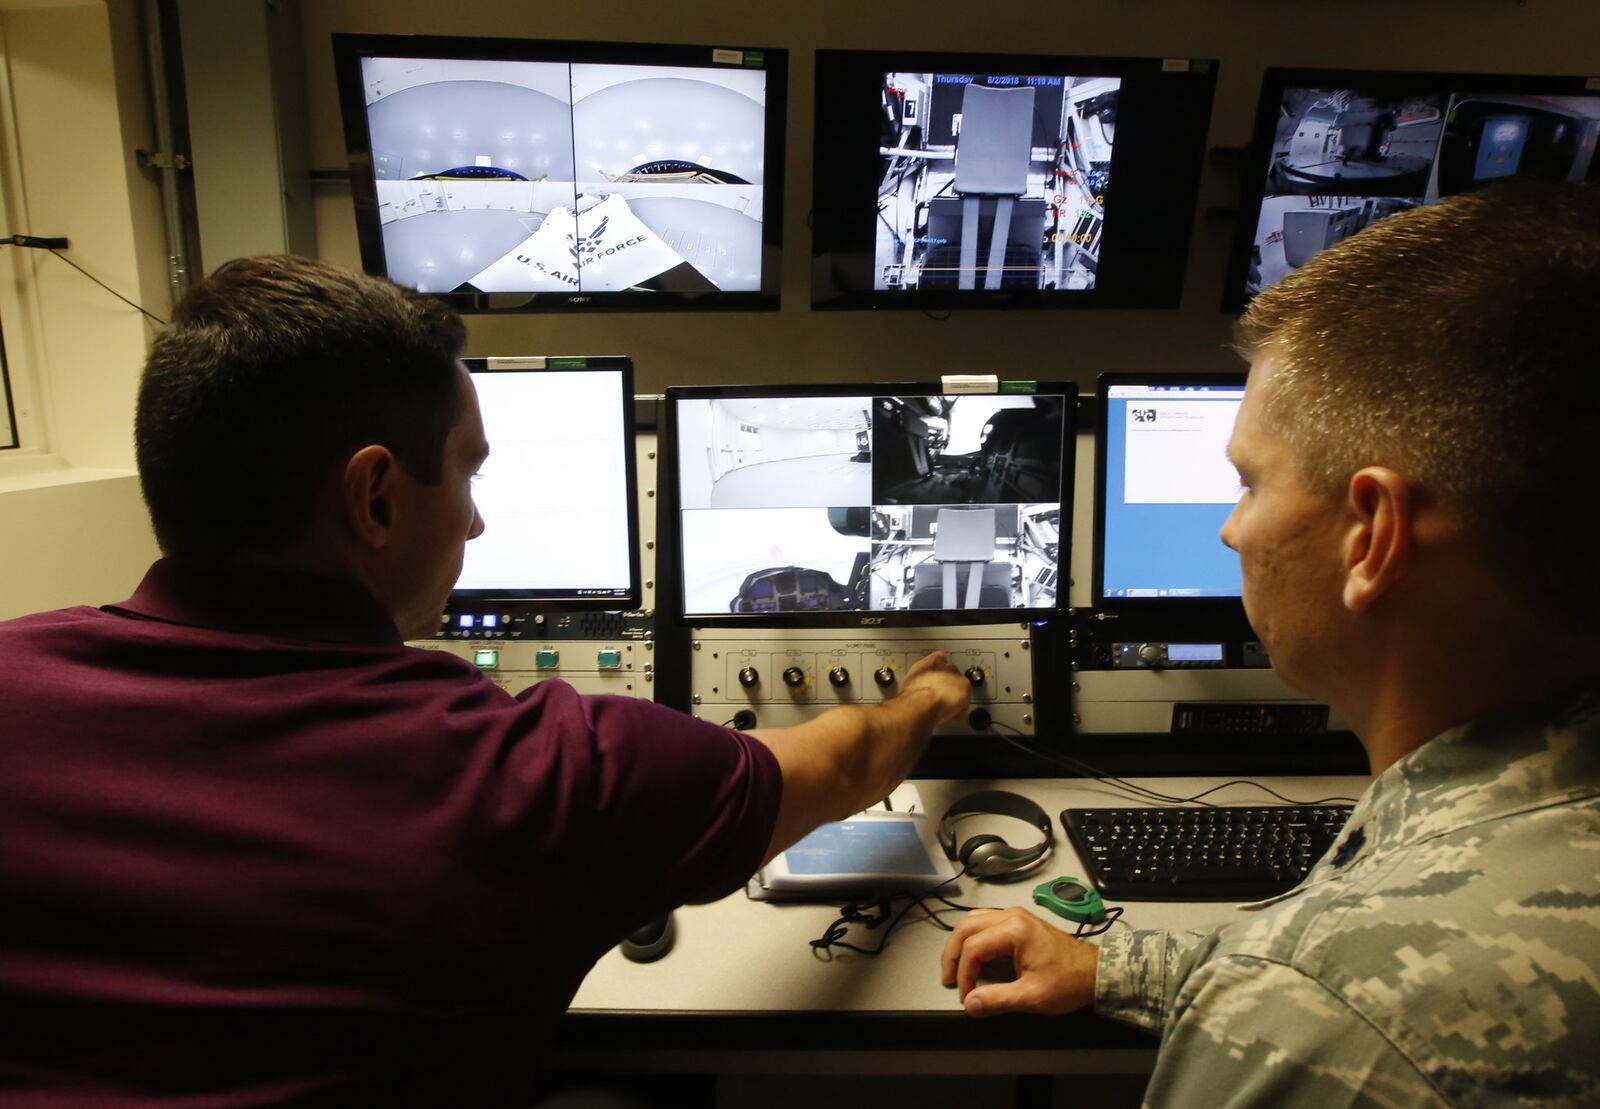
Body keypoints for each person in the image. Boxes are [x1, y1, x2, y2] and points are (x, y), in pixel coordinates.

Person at [0, 255, 972, 1105]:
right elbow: (842, 760)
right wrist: (928, 696)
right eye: (466, 474)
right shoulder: (542, 772)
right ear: (375, 497)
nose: (473, 524)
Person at [941, 182, 1600, 1104]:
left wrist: (1270, 990)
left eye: (1249, 483)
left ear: (1370, 536)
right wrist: (1121, 966)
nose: (1230, 531)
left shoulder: (1315, 1016)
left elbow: (1335, 990)